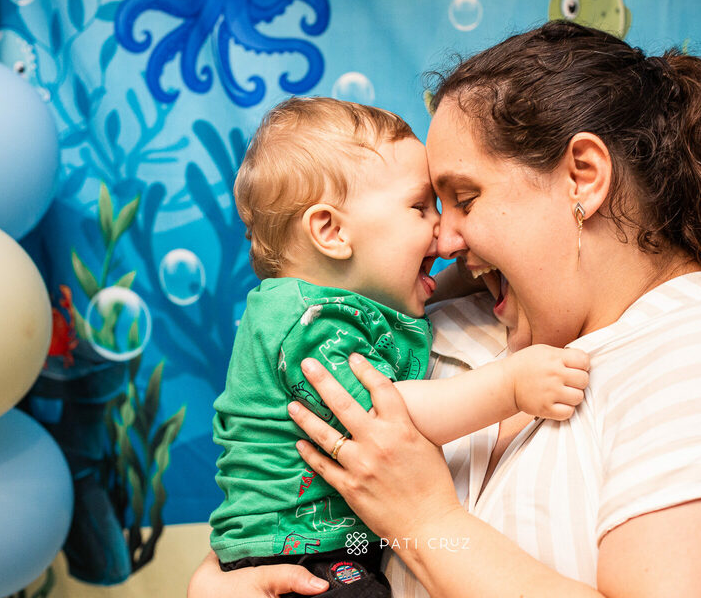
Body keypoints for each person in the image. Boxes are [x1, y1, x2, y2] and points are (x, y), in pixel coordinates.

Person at [190, 20, 701, 597]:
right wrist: (214, 584)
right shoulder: (450, 328)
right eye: (428, 208)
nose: (443, 239)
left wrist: (426, 522)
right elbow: (288, 505)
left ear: (582, 177)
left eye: (463, 199)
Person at [209, 96, 590, 597]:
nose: (443, 230)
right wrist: (509, 385)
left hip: (324, 543)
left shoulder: (338, 302)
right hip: (301, 554)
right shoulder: (309, 322)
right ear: (331, 231)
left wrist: (491, 268)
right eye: (420, 206)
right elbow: (388, 417)